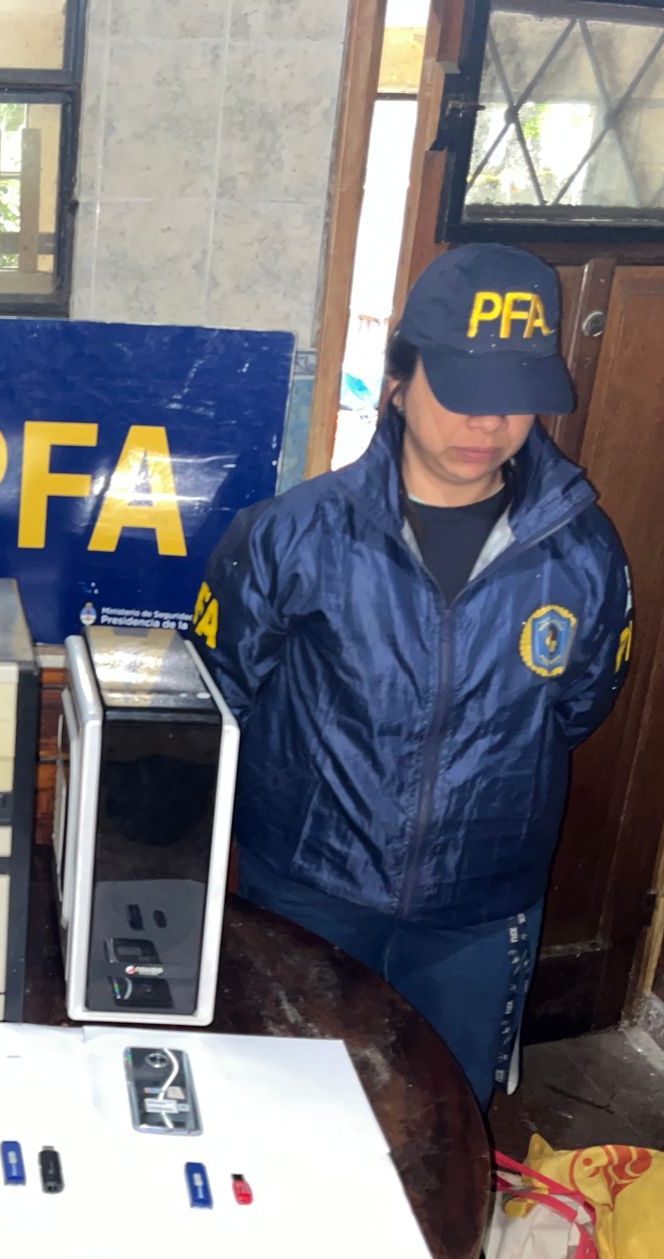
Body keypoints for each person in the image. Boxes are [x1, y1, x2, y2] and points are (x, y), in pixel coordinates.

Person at [191, 244, 632, 1108]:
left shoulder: (584, 553)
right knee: (284, 1113)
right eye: (463, 388)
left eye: (515, 393)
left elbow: (581, 705)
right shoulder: (291, 535)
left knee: (446, 1125)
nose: (488, 421)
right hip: (309, 890)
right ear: (398, 380)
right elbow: (219, 696)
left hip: (480, 906)